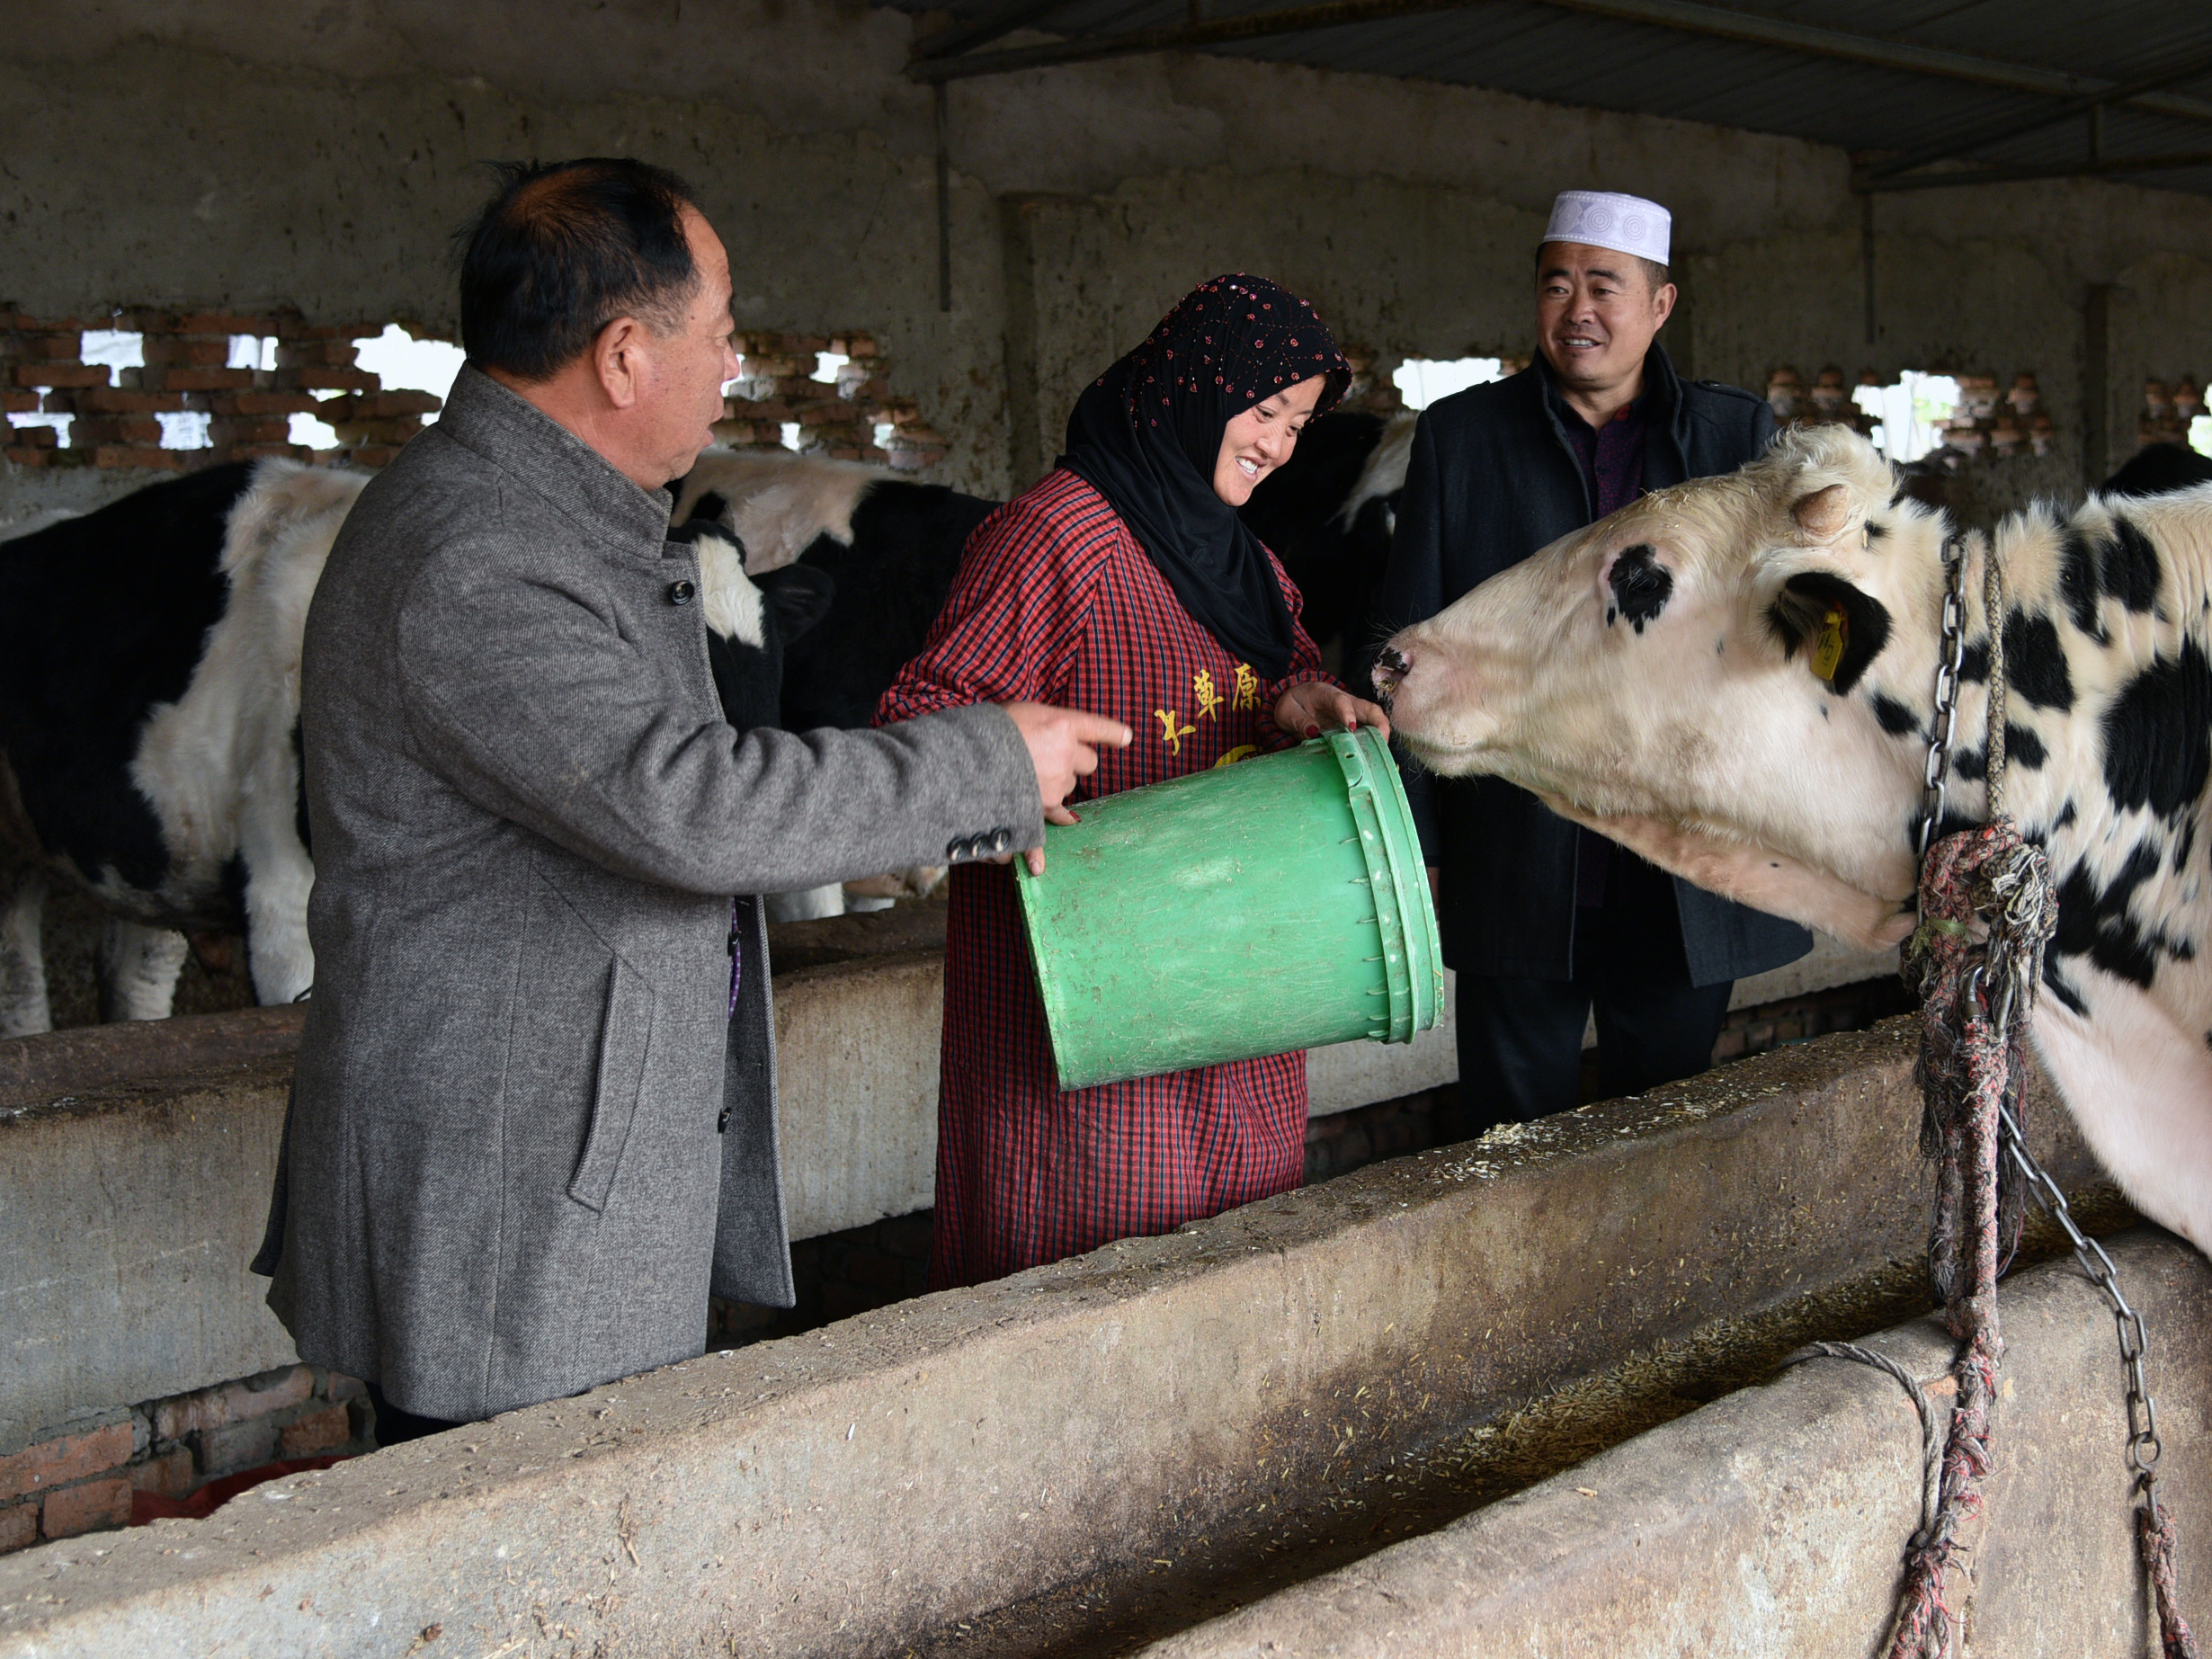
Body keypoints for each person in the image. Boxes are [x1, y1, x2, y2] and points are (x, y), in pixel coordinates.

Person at [251, 158, 1128, 1441]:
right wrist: (982, 763)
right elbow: (694, 807)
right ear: (621, 355)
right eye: (718, 337)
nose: (730, 369)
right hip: (506, 1193)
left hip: (546, 1161)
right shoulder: (478, 558)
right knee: (521, 1567)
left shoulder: (532, 517)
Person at [876, 273, 1387, 1286]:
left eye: (1296, 422)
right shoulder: (1057, 535)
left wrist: (1299, 700)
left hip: (1237, 989)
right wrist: (1007, 775)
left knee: (1231, 1278)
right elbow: (916, 725)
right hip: (1087, 994)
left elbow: (1271, 669)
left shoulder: (1248, 561)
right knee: (1086, 1282)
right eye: (1264, 409)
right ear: (1195, 388)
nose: (1278, 445)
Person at [1374, 190, 1809, 1132]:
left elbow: (1789, 644)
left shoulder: (1737, 441)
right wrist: (1424, 848)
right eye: (1557, 284)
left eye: (1604, 286)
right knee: (1506, 1126)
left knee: (1661, 1123)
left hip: (1677, 863)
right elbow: (1401, 646)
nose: (1579, 309)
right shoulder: (1462, 438)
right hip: (1516, 853)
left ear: (1659, 305)